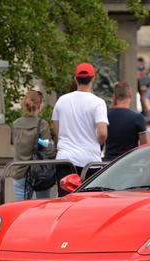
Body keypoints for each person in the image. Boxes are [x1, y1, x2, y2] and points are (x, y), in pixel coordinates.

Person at [52, 62, 108, 197]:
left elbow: (56, 132)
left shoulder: (61, 100)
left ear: (75, 79)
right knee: (89, 200)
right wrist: (96, 143)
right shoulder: (98, 102)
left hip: (65, 158)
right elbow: (102, 133)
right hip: (90, 160)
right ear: (93, 80)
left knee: (65, 199)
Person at [10, 90, 57, 200]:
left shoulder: (15, 124)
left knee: (21, 210)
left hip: (19, 171)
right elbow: (48, 151)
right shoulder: (42, 124)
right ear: (40, 106)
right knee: (42, 208)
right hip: (41, 172)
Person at [104, 82, 148, 162]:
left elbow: (110, 111)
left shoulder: (106, 114)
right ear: (130, 95)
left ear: (115, 97)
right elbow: (144, 145)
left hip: (108, 163)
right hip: (130, 163)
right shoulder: (137, 117)